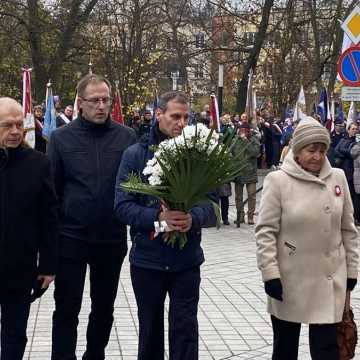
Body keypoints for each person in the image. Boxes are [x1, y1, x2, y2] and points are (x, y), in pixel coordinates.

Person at [114, 91, 217, 360]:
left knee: (185, 329)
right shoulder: (135, 155)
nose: (181, 123)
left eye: (186, 117)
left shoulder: (199, 156)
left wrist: (193, 218)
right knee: (150, 331)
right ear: (158, 114)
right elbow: (122, 206)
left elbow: (213, 205)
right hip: (148, 260)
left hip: (186, 260)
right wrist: (157, 218)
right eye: (175, 116)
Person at [48, 74, 136, 360]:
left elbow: (134, 188)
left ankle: (94, 354)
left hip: (110, 238)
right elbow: (52, 190)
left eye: (105, 100)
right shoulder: (61, 138)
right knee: (66, 306)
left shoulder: (126, 137)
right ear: (81, 103)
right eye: (94, 100)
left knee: (103, 307)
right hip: (71, 238)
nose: (101, 106)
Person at [256, 117, 359, 360]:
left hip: (328, 279)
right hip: (289, 280)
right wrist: (270, 274)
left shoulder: (338, 178)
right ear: (297, 150)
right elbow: (266, 231)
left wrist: (352, 271)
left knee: (326, 351)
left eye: (322, 150)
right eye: (311, 150)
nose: (317, 156)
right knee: (285, 349)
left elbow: (348, 229)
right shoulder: (278, 181)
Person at [0, 97, 58, 360]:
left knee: (15, 333)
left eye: (18, 125)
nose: (14, 132)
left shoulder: (38, 163)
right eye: (6, 126)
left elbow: (48, 217)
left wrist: (47, 265)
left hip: (19, 266)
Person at [233, 122, 260, 226]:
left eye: (245, 130)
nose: (243, 132)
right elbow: (231, 152)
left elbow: (255, 152)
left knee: (251, 195)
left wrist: (246, 141)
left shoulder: (254, 140)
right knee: (238, 197)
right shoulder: (235, 140)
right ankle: (240, 216)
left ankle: (250, 217)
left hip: (250, 172)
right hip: (239, 172)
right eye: (241, 130)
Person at [334, 122, 359, 224]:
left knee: (352, 196)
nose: (355, 131)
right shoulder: (344, 140)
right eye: (353, 129)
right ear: (348, 130)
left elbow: (352, 153)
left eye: (356, 129)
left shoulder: (356, 142)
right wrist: (346, 152)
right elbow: (336, 150)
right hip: (344, 170)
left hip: (354, 172)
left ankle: (352, 217)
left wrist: (345, 152)